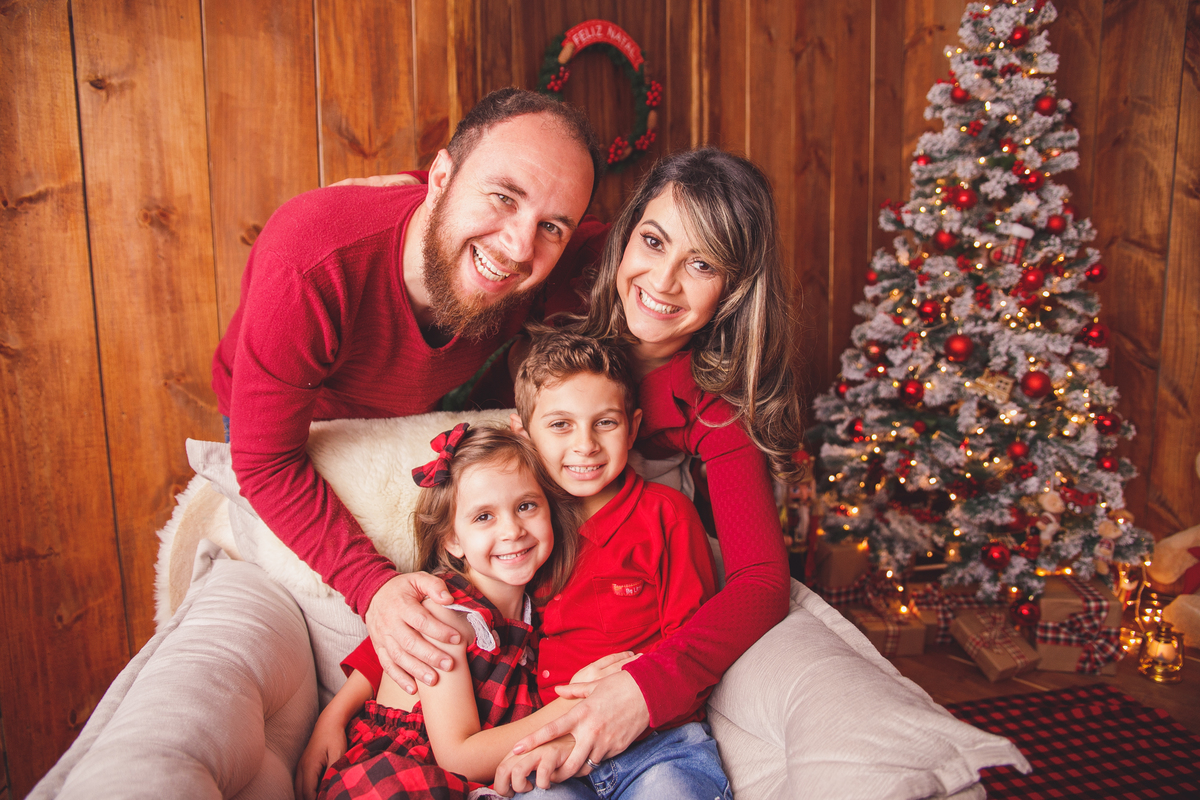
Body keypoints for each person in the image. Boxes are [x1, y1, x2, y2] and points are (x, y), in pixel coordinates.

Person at [374, 148, 803, 784]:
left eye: (703, 264)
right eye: (653, 241)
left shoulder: (714, 408)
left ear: (734, 291)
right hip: (435, 400)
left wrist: (644, 687)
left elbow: (762, 580)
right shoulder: (576, 261)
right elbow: (503, 200)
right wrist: (403, 190)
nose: (662, 281)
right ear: (626, 233)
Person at [211, 88, 608, 696]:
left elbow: (651, 251)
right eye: (503, 197)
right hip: (294, 429)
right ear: (441, 175)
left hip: (410, 409)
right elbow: (266, 461)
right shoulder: (311, 263)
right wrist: (372, 588)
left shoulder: (540, 259)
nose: (519, 247)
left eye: (551, 226)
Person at [295, 425, 629, 800]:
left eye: (525, 506)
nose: (512, 530)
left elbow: (381, 655)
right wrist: (574, 705)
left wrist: (335, 713)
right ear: (453, 540)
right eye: (484, 516)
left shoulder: (540, 607)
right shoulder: (446, 614)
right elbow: (458, 758)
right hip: (402, 770)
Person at [498, 330, 729, 798]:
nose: (585, 445)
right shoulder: (518, 527)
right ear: (522, 433)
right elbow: (461, 607)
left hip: (661, 746)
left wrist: (635, 680)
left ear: (633, 425)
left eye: (604, 423)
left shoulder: (667, 515)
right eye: (560, 425)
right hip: (555, 749)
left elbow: (694, 643)